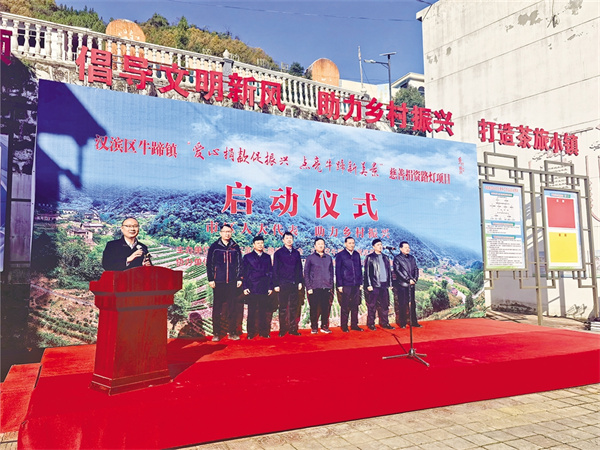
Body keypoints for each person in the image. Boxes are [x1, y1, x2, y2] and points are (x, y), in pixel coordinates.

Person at [207, 224, 243, 341]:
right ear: (220, 233)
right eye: (225, 231)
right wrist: (211, 279)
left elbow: (239, 264)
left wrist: (239, 278)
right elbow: (209, 264)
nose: (227, 234)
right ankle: (216, 333)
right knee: (217, 309)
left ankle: (232, 332)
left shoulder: (235, 247)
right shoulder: (214, 247)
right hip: (218, 282)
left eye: (229, 231)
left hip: (232, 282)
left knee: (232, 308)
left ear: (231, 233)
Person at [242, 235, 273, 339]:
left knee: (263, 311)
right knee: (252, 311)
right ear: (253, 245)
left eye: (262, 243)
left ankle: (263, 332)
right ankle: (251, 333)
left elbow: (270, 272)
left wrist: (270, 287)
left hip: (264, 287)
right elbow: (244, 273)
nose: (260, 245)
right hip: (252, 287)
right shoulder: (248, 257)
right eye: (258, 243)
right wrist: (245, 287)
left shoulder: (267, 257)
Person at [272, 231, 303, 337]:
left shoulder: (296, 253)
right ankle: (282, 330)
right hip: (283, 284)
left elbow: (299, 268)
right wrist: (276, 284)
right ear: (283, 240)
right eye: (287, 238)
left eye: (291, 238)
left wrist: (300, 282)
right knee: (283, 308)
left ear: (293, 240)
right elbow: (275, 269)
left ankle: (293, 329)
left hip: (294, 283)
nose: (289, 240)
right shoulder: (278, 253)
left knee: (294, 307)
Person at [304, 238, 334, 334]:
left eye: (322, 244)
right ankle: (314, 327)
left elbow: (331, 273)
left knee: (326, 308)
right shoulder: (310, 258)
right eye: (319, 244)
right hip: (314, 287)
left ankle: (324, 326)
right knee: (314, 308)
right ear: (315, 246)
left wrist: (330, 285)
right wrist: (309, 287)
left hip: (326, 287)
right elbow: (306, 273)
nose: (321, 245)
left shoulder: (328, 258)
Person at [363, 238, 394, 331]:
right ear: (373, 247)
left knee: (385, 305)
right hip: (374, 285)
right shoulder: (370, 257)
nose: (380, 246)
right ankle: (371, 324)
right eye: (378, 245)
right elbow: (367, 272)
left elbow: (389, 271)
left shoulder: (386, 257)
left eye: (381, 244)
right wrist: (369, 284)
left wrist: (390, 283)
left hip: (384, 285)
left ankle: (385, 323)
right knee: (372, 306)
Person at [335, 237, 363, 332]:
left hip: (356, 284)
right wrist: (339, 285)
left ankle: (354, 325)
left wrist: (360, 282)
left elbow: (359, 269)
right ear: (345, 244)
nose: (351, 245)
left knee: (355, 305)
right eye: (349, 243)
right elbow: (338, 271)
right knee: (345, 306)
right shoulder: (340, 255)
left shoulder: (356, 254)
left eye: (353, 243)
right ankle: (344, 326)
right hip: (346, 284)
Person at [393, 241, 421, 328]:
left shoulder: (412, 258)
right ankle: (403, 323)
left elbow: (416, 269)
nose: (408, 249)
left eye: (408, 247)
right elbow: (398, 271)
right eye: (405, 247)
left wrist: (415, 279)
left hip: (411, 284)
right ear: (401, 249)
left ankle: (414, 322)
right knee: (402, 304)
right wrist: (408, 279)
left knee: (412, 304)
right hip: (402, 285)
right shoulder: (397, 258)